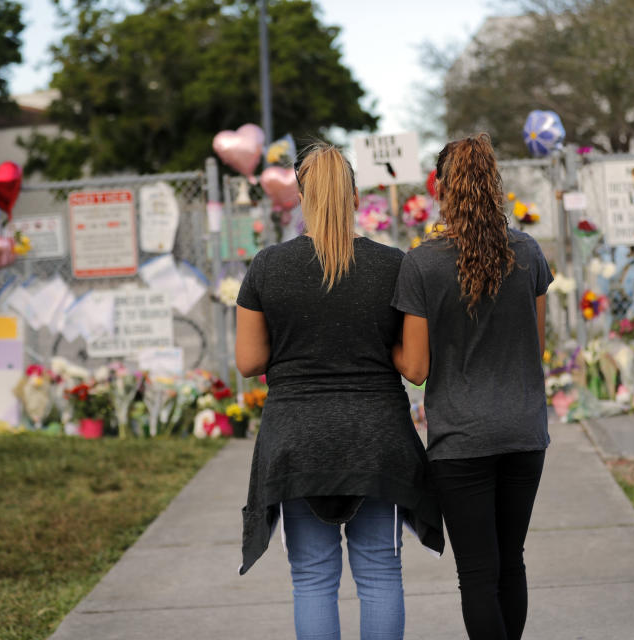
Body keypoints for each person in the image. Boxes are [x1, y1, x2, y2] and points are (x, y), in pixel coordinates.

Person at [235, 144, 444, 640]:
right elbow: (416, 365)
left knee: (312, 580)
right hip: (377, 440)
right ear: (354, 197)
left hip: (296, 442)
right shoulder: (394, 265)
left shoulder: (267, 267)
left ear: (302, 198)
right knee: (379, 576)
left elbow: (249, 361)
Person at [391, 133, 553, 640]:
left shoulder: (422, 263)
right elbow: (537, 345)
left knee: (478, 575)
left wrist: (380, 344)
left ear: (440, 188)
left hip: (461, 441)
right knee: (512, 564)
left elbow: (414, 368)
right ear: (494, 185)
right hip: (524, 433)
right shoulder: (528, 253)